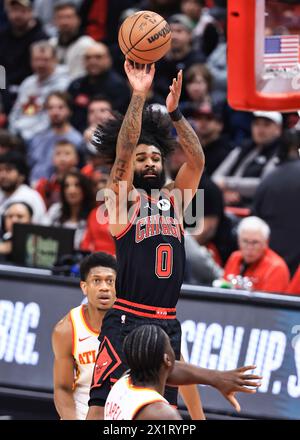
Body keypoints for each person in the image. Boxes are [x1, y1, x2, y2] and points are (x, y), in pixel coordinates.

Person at [87, 60, 259, 419]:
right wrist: (138, 96)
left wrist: (176, 113)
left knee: (162, 414)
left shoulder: (177, 201)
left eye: (155, 157)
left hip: (167, 321)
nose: (149, 162)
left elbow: (196, 160)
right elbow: (123, 150)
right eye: (142, 159)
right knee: (100, 411)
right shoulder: (122, 203)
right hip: (128, 320)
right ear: (131, 167)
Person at [105, 324, 262, 420]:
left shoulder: (125, 380)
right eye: (169, 345)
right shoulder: (161, 414)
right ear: (167, 359)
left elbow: (175, 370)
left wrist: (216, 378)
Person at [52, 252, 117, 420]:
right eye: (97, 281)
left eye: (110, 281)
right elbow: (62, 388)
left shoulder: (132, 324)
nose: (104, 287)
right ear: (84, 287)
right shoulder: (67, 329)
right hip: (82, 412)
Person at [8, 41, 70, 141]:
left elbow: (50, 118)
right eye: (36, 60)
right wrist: (13, 133)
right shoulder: (28, 82)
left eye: (45, 60)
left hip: (45, 137)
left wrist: (27, 136)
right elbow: (16, 112)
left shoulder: (62, 84)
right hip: (20, 134)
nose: (40, 64)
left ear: (55, 60)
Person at [28, 91, 84, 184]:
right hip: (34, 185)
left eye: (60, 107)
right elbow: (30, 163)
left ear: (69, 111)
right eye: (50, 108)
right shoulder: (37, 137)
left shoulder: (77, 140)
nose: (55, 112)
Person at [223, 216, 290, 293]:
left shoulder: (276, 268)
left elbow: (269, 303)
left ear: (266, 243)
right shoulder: (234, 257)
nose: (249, 247)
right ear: (238, 241)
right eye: (245, 241)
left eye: (255, 242)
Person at [44, 170, 95, 249]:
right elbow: (43, 235)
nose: (71, 191)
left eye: (77, 185)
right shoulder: (55, 210)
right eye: (66, 186)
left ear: (85, 189)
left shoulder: (93, 215)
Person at [50, 1, 95, 81]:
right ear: (54, 21)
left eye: (69, 17)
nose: (65, 22)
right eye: (60, 17)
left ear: (78, 20)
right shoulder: (51, 44)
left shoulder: (87, 44)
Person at [0, 151, 46, 223]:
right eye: (0, 170)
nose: (2, 175)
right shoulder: (1, 193)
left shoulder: (30, 197)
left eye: (8, 170)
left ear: (21, 176)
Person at [35, 139, 80, 209]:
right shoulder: (46, 185)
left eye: (67, 153)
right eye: (58, 154)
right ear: (52, 159)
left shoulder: (83, 182)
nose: (62, 158)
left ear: (76, 159)